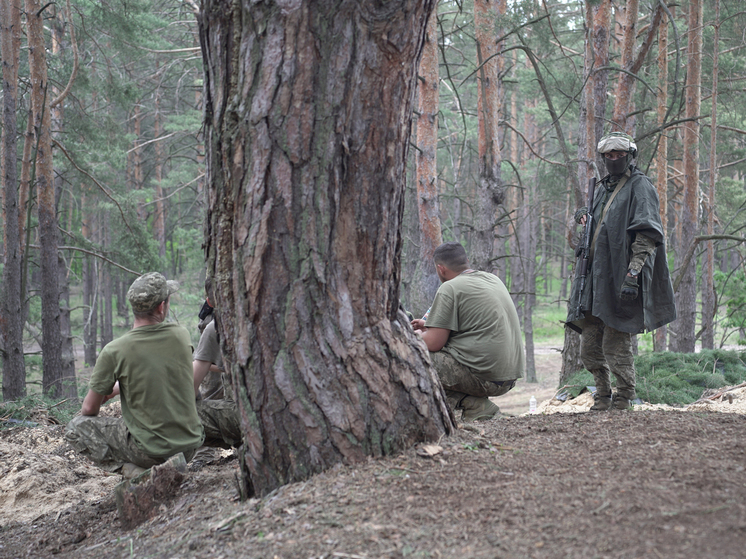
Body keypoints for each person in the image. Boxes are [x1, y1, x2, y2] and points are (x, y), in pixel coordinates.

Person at [567, 132, 676, 411]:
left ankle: (624, 396)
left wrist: (633, 274)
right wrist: (583, 211)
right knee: (589, 347)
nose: (613, 160)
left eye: (618, 156)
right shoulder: (602, 188)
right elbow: (595, 218)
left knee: (616, 341)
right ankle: (602, 395)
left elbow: (647, 234)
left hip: (621, 276)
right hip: (593, 279)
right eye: (608, 156)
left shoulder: (640, 186)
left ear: (629, 157)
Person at [65, 272, 205, 473]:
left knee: (75, 427)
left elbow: (89, 409)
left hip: (149, 452)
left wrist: (113, 389)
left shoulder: (115, 350)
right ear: (161, 307)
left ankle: (131, 472)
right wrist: (119, 387)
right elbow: (158, 372)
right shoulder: (181, 335)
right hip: (190, 447)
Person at [411, 242, 525, 421]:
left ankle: (472, 405)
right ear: (467, 261)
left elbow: (433, 342)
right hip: (508, 376)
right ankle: (477, 406)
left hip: (485, 377)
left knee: (413, 355)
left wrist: (412, 337)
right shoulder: (491, 278)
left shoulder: (450, 287)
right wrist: (429, 326)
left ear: (440, 268)